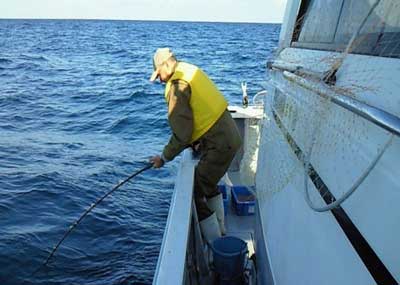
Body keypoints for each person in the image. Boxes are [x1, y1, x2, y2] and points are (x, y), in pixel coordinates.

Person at [149, 48, 242, 244]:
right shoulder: (188, 69)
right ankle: (222, 229)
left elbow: (182, 134)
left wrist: (163, 158)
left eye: (159, 75)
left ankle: (217, 244)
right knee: (207, 183)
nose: (160, 80)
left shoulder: (177, 86)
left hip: (219, 144)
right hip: (229, 137)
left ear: (166, 65)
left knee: (197, 191)